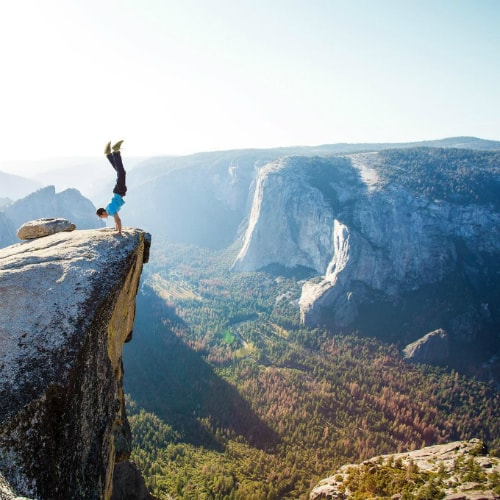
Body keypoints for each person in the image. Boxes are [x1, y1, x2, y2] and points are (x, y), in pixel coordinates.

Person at [96, 140, 127, 235]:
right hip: (118, 191)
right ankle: (109, 154)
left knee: (121, 172)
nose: (102, 218)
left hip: (119, 191)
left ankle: (115, 152)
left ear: (103, 213)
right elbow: (116, 220)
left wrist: (119, 232)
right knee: (120, 172)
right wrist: (116, 229)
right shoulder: (109, 211)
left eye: (101, 217)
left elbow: (118, 220)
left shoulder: (111, 210)